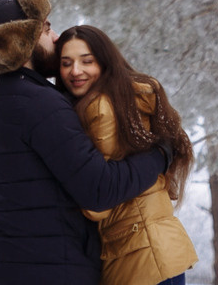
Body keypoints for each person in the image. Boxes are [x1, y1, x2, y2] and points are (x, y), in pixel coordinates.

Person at [0, 0, 169, 285]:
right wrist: (161, 154)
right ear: (22, 40)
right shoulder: (38, 103)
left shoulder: (5, 99)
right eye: (46, 29)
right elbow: (99, 189)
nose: (55, 38)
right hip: (52, 271)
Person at [55, 24, 199, 285]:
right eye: (66, 63)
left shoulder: (99, 107)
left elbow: (99, 200)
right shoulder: (127, 98)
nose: (75, 71)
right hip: (162, 245)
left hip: (137, 253)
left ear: (105, 61)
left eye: (87, 61)